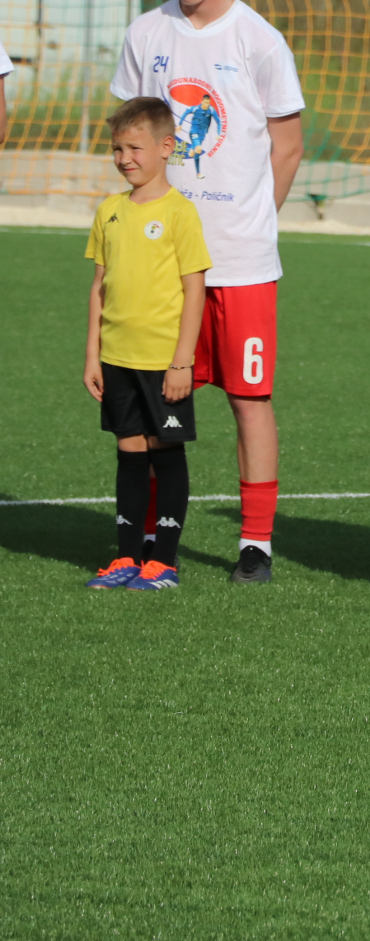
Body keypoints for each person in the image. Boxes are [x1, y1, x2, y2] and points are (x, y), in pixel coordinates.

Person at [109, 0, 305, 584]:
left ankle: (256, 543)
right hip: (162, 266)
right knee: (158, 400)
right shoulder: (146, 35)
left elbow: (288, 146)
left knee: (249, 399)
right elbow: (131, 135)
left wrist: (256, 219)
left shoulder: (259, 39)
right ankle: (153, 543)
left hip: (241, 263)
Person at [82, 98, 212, 592]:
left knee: (166, 451)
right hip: (116, 358)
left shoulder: (180, 212)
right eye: (117, 149)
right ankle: (126, 556)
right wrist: (92, 355)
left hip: (162, 362)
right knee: (129, 450)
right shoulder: (110, 211)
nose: (124, 158)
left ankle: (165, 562)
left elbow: (195, 289)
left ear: (165, 147)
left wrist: (182, 362)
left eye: (134, 148)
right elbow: (99, 287)